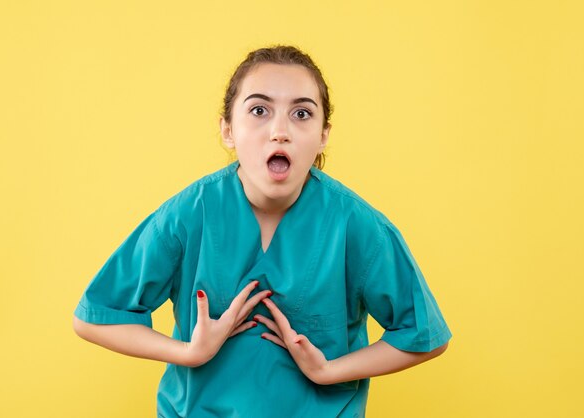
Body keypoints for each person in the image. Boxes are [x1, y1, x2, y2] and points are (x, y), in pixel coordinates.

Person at [73, 45, 452, 417]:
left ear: (323, 135)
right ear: (228, 130)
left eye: (302, 113)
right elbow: (95, 316)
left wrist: (328, 371)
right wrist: (190, 352)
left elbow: (424, 335)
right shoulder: (190, 214)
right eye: (259, 110)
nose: (280, 131)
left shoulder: (354, 225)